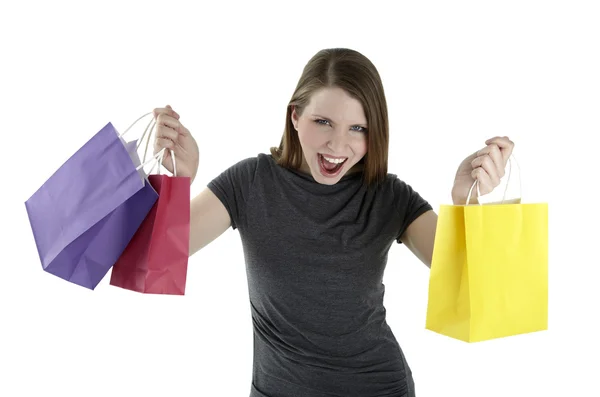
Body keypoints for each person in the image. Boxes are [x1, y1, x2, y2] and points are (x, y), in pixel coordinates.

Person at [151, 48, 514, 397]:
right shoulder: (250, 182)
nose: (338, 145)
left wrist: (465, 201)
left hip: (378, 388)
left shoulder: (388, 195)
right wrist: (179, 182)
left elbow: (473, 281)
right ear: (294, 117)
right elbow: (158, 257)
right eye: (323, 122)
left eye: (358, 128)